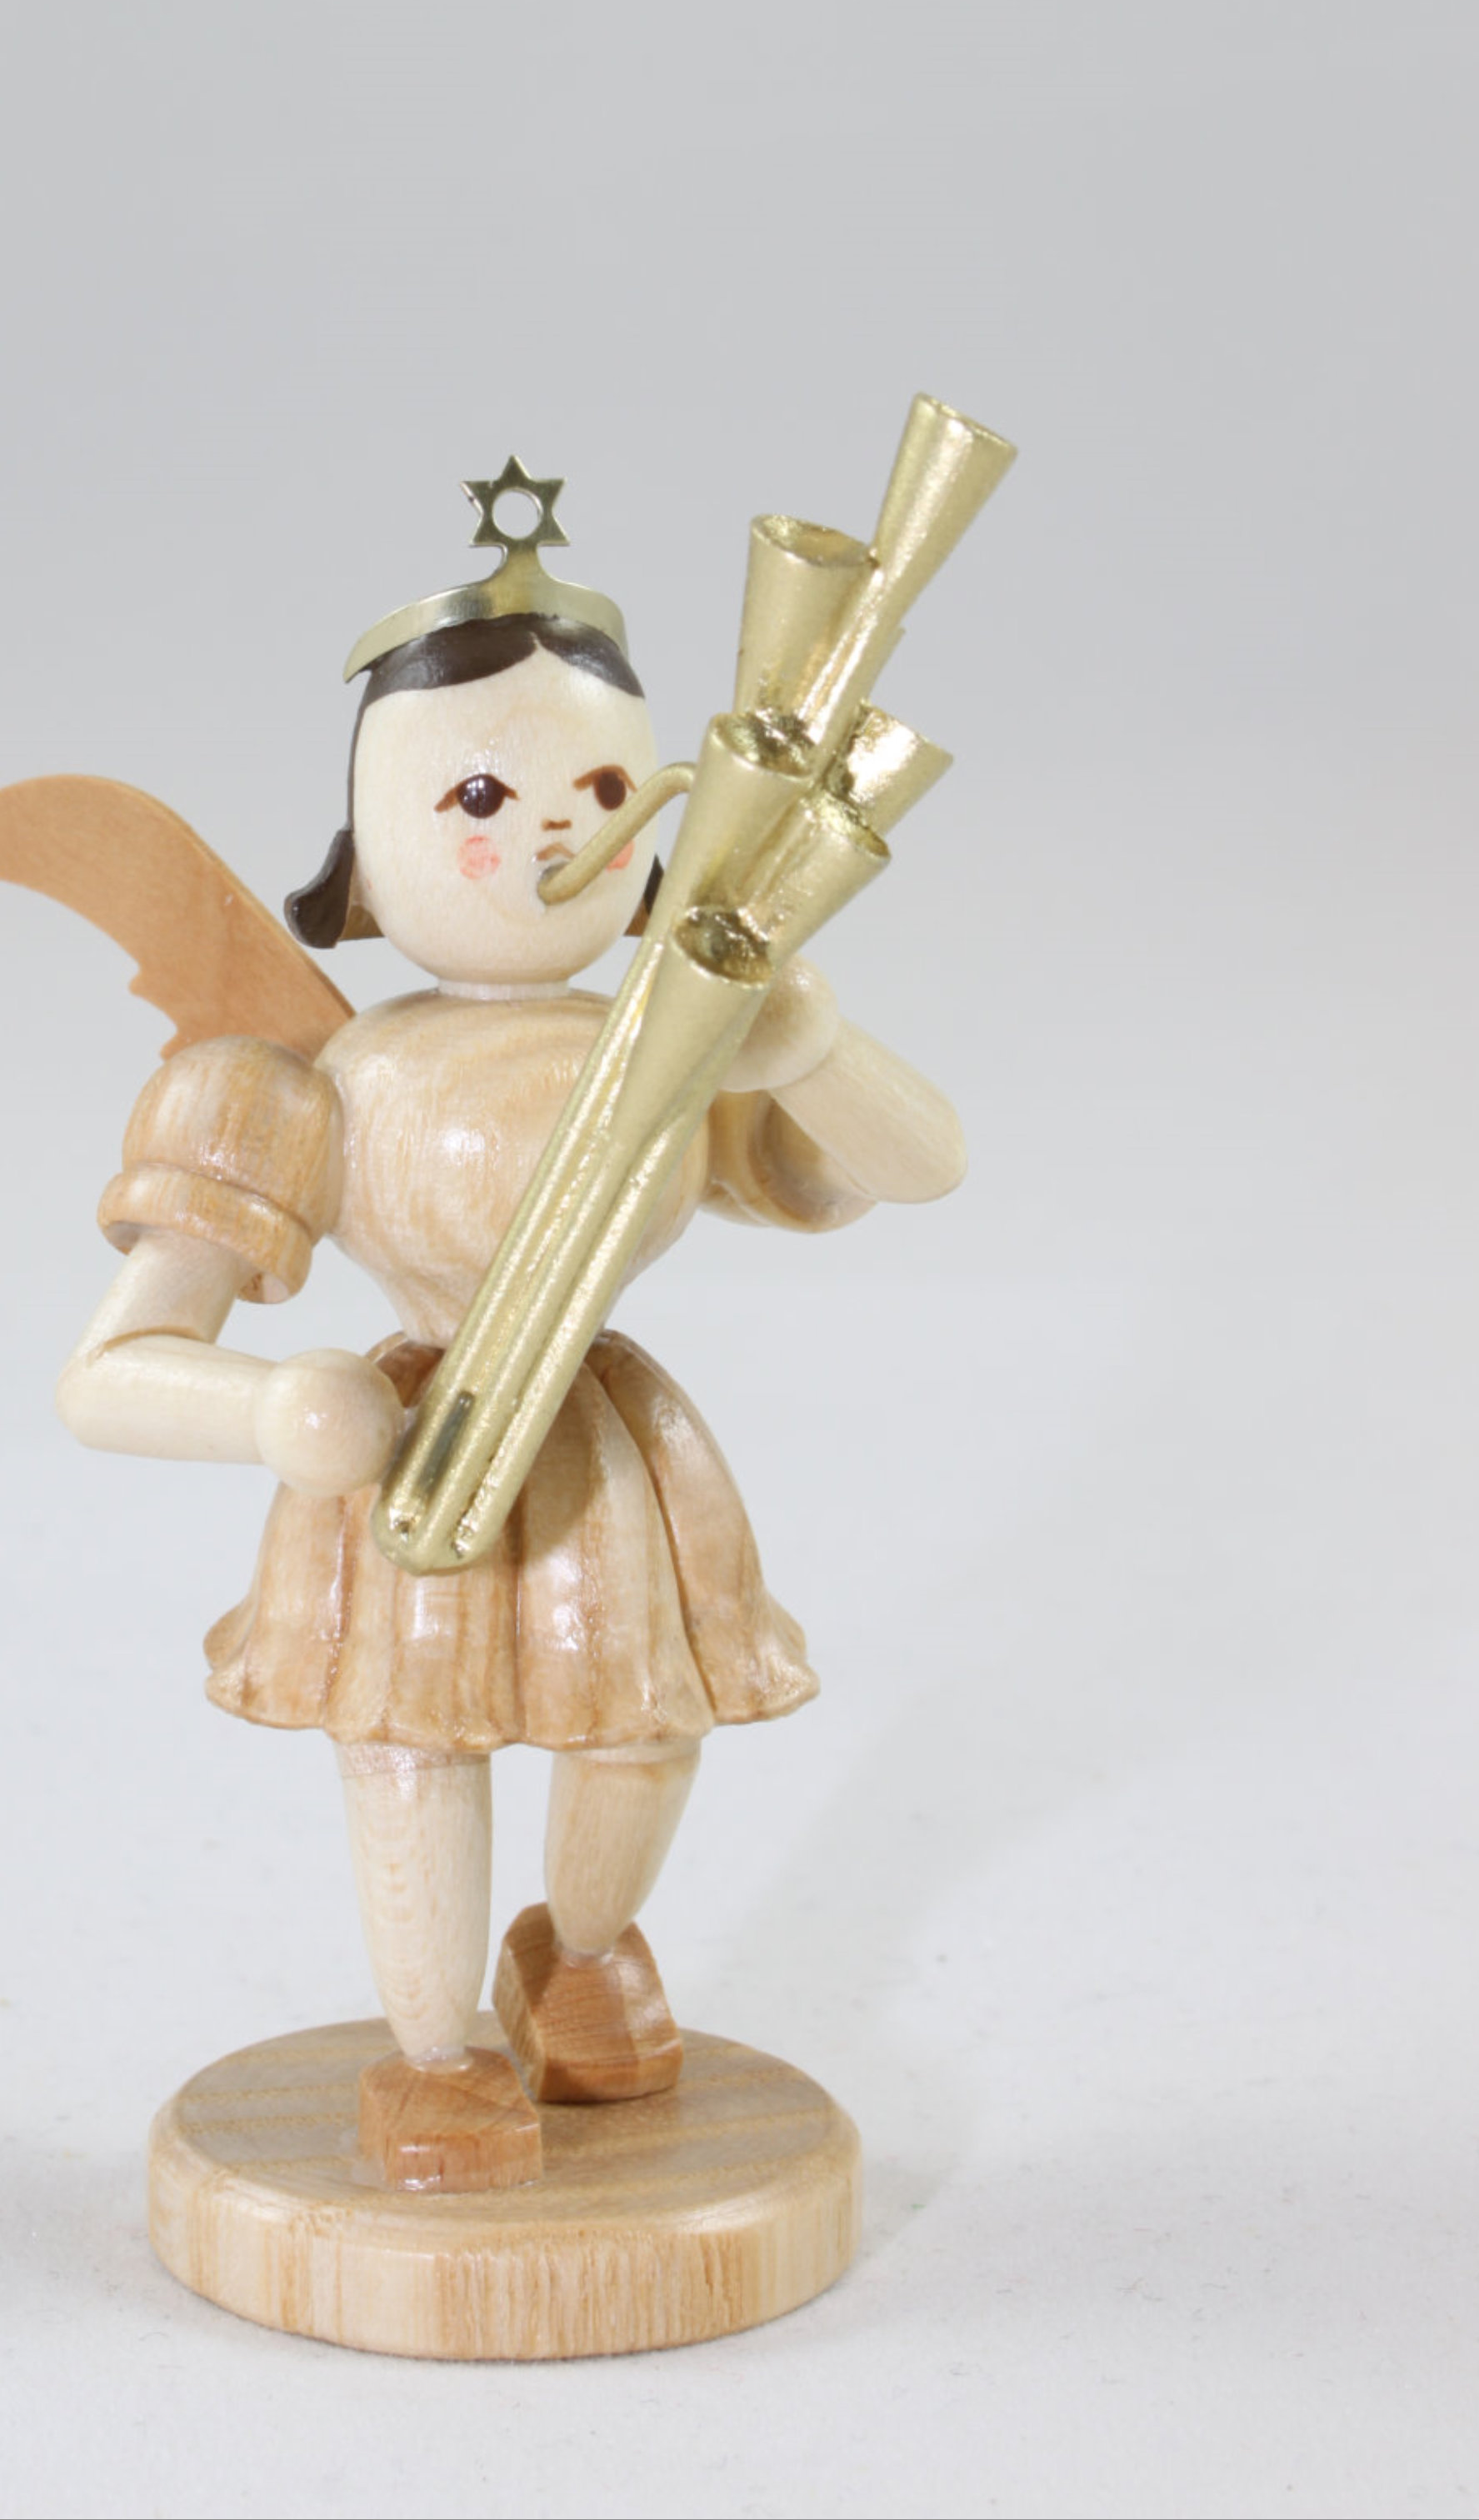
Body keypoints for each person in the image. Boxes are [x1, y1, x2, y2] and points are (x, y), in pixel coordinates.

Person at [53, 475, 965, 2186]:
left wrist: (811, 1050)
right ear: (366, 852)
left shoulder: (667, 1037)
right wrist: (276, 1410)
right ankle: (435, 2056)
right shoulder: (308, 1076)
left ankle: (585, 1956)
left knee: (641, 1723)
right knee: (411, 1753)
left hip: (607, 1447)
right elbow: (105, 1378)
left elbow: (922, 1167)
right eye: (477, 792)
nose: (557, 831)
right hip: (409, 1453)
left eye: (606, 789)